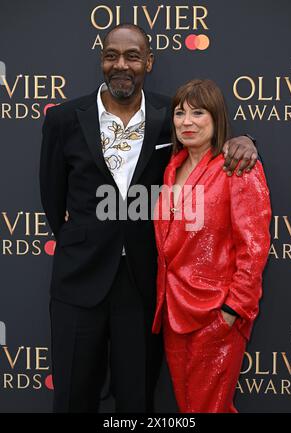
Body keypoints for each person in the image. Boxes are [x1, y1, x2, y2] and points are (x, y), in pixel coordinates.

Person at [39, 24, 259, 413]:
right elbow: (52, 199)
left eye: (132, 56)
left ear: (149, 62)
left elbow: (204, 147)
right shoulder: (65, 118)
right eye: (111, 55)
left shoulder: (168, 117)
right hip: (78, 281)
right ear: (102, 60)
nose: (121, 65)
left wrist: (246, 141)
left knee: (136, 400)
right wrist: (86, 240)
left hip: (144, 287)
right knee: (72, 397)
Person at [152, 79, 271, 413]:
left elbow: (254, 248)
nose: (186, 121)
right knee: (189, 408)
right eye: (180, 113)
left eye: (198, 112)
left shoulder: (237, 167)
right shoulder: (171, 168)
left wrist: (233, 312)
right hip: (174, 314)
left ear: (217, 118)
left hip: (216, 314)